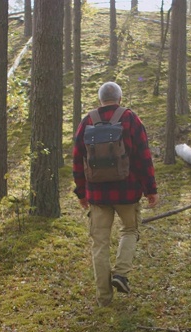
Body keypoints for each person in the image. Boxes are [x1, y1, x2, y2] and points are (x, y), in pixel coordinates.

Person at [72, 81, 159, 307]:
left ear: (100, 100)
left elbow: (76, 160)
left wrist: (81, 193)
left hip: (97, 196)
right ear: (119, 99)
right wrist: (151, 189)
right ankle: (120, 274)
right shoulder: (130, 119)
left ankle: (104, 299)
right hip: (127, 192)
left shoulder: (87, 121)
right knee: (130, 230)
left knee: (99, 244)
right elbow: (143, 157)